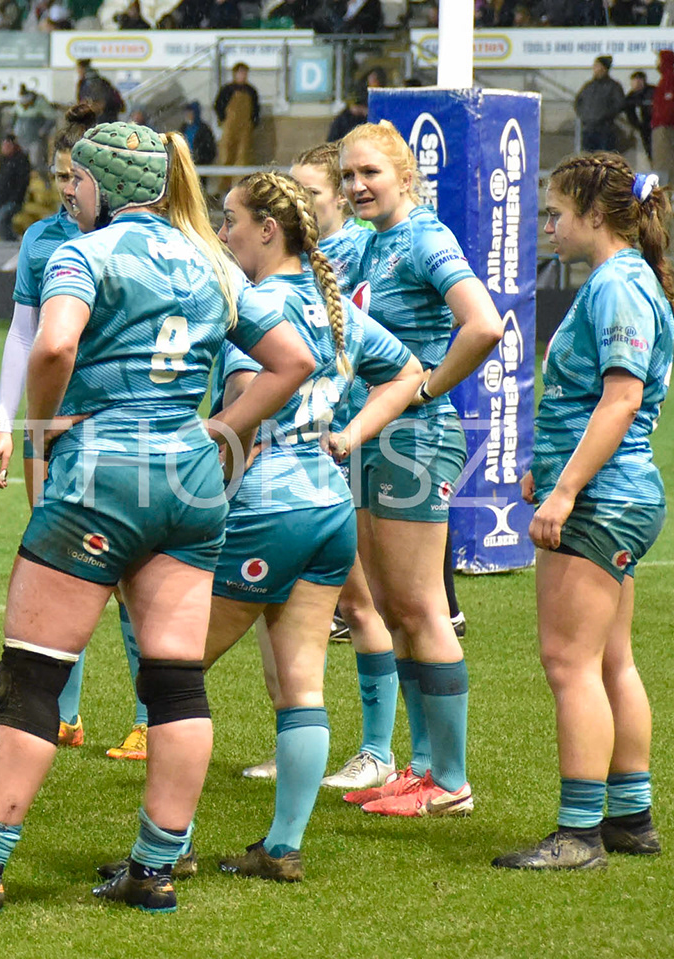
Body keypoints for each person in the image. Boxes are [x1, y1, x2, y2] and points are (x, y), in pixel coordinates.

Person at [0, 122, 314, 915]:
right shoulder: (211, 260)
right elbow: (294, 360)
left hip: (103, 466)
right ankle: (153, 867)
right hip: (188, 475)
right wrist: (224, 431)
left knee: (32, 675)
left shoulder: (82, 253)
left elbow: (53, 347)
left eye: (77, 180)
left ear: (107, 185)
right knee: (175, 680)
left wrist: (40, 432)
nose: (68, 192)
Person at [200, 171, 423, 880]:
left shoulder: (254, 306)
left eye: (230, 219)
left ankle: (163, 846)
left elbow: (242, 412)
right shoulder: (331, 308)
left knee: (168, 671)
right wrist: (351, 435)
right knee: (300, 683)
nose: (224, 232)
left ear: (268, 229)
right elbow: (409, 371)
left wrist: (203, 500)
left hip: (269, 506)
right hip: (328, 505)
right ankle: (282, 846)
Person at [493, 156, 674, 871]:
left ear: (594, 215)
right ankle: (630, 817)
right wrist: (553, 469)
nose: (548, 224)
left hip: (605, 499)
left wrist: (566, 490)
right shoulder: (628, 280)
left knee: (568, 662)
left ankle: (579, 834)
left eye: (555, 213)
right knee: (609, 658)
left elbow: (621, 400)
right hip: (620, 494)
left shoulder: (617, 284)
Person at [336, 121, 504, 817]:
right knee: (398, 609)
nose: (355, 186)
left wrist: (430, 386)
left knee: (423, 608)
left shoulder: (426, 236)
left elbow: (485, 324)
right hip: (377, 437)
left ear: (405, 176)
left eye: (370, 173)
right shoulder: (367, 242)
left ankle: (452, 779)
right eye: (347, 175)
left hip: (415, 439)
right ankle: (423, 766)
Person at [0, 103, 110, 755]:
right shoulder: (41, 239)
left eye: (75, 175)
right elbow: (25, 333)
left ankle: (149, 718)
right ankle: (66, 712)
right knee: (61, 563)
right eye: (59, 173)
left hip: (113, 422)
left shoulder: (127, 239)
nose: (64, 187)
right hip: (50, 422)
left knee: (136, 580)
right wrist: (7, 423)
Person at [280, 140, 403, 792]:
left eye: (309, 192)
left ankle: (379, 749)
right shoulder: (304, 257)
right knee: (297, 599)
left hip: (342, 444)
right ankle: (297, 737)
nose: (296, 204)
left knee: (357, 601)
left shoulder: (352, 251)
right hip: (311, 444)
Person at [216, 64, 261, 190]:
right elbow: (218, 106)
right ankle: (224, 188)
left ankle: (240, 188)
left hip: (245, 130)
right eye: (240, 73)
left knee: (243, 158)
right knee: (226, 157)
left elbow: (256, 110)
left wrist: (253, 124)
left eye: (245, 73)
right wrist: (224, 120)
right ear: (234, 74)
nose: (242, 75)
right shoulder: (227, 90)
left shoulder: (251, 91)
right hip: (229, 128)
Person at [576, 56, 625, 154]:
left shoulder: (613, 86)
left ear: (605, 68)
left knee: (604, 159)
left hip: (605, 130)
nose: (595, 69)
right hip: (588, 129)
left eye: (598, 66)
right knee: (587, 159)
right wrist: (584, 116)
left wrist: (603, 116)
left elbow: (619, 104)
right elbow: (578, 101)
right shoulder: (589, 86)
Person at [651, 51, 674, 193]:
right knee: (662, 158)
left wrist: (662, 120)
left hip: (665, 125)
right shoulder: (666, 77)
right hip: (661, 123)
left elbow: (669, 103)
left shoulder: (671, 78)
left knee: (666, 158)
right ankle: (669, 190)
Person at [0, 134, 32, 242]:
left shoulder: (20, 161)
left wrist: (15, 197)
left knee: (1, 221)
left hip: (13, 200)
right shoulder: (3, 161)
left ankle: (12, 241)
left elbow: (22, 182)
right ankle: (10, 241)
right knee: (2, 222)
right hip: (1, 199)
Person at [12, 86, 57, 175]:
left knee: (36, 162)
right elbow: (13, 117)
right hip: (21, 139)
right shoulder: (18, 105)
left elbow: (52, 118)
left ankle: (44, 180)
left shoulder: (41, 104)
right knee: (21, 162)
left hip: (35, 139)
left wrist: (43, 130)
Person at [623, 71, 653, 162]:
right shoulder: (630, 96)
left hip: (653, 126)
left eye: (639, 81)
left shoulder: (652, 92)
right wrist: (636, 124)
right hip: (642, 128)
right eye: (634, 81)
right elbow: (628, 112)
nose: (636, 84)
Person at [177, 101, 216, 169]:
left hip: (200, 166)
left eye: (190, 113)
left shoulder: (204, 130)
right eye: (186, 113)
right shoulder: (183, 128)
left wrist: (202, 160)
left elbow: (211, 150)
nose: (187, 115)